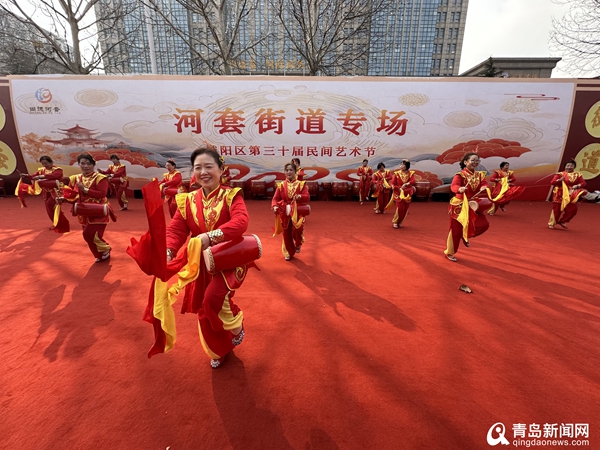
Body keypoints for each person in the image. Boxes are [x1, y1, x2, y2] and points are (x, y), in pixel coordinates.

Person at [163, 147, 249, 369]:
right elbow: (176, 230)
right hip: (200, 262)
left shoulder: (232, 196)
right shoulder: (187, 200)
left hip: (230, 260)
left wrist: (209, 237)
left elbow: (241, 223)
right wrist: (169, 250)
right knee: (203, 307)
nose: (203, 172)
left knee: (213, 299)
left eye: (209, 167)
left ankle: (237, 327)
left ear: (221, 169)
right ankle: (217, 348)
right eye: (197, 168)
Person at [59, 153, 115, 263]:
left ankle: (105, 248)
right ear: (79, 164)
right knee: (88, 235)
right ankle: (100, 254)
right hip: (83, 210)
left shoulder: (100, 178)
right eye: (83, 163)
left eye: (88, 164)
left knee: (89, 234)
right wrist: (63, 198)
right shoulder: (75, 178)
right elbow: (71, 194)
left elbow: (102, 194)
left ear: (93, 165)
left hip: (98, 210)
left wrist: (85, 190)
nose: (85, 166)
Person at [444, 152, 490, 262]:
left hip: (472, 204)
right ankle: (450, 252)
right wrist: (459, 189)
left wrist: (484, 187)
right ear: (465, 162)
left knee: (483, 224)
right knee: (455, 230)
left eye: (477, 160)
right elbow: (454, 186)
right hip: (460, 205)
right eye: (472, 160)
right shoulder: (460, 175)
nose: (475, 162)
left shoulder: (479, 175)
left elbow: (485, 183)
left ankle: (465, 236)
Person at [20, 155, 70, 233]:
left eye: (46, 163)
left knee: (51, 205)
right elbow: (33, 176)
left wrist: (41, 176)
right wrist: (27, 176)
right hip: (46, 192)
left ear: (51, 162)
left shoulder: (58, 170)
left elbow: (55, 176)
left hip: (56, 191)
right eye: (43, 163)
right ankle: (57, 222)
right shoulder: (41, 170)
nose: (45, 165)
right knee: (48, 207)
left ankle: (61, 223)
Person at [272, 162, 310, 261]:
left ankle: (298, 243)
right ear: (285, 172)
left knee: (298, 229)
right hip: (284, 211)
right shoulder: (281, 185)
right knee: (286, 233)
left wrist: (300, 196)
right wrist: (275, 206)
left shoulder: (301, 184)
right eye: (287, 170)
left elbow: (307, 197)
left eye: (291, 170)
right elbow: (275, 199)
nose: (289, 172)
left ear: (295, 172)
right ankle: (289, 252)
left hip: (297, 211)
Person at [548, 159, 587, 229]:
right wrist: (559, 180)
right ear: (565, 166)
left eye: (571, 166)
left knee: (573, 209)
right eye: (567, 165)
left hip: (571, 194)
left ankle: (563, 221)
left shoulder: (578, 175)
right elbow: (552, 182)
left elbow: (583, 183)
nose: (569, 167)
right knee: (557, 209)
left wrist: (577, 186)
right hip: (560, 194)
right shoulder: (560, 174)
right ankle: (552, 223)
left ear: (574, 167)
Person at [387, 159, 416, 228]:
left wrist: (407, 184)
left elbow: (413, 181)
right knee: (400, 208)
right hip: (398, 192)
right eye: (401, 164)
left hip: (407, 193)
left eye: (403, 164)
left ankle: (400, 221)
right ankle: (395, 221)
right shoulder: (397, 173)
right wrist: (392, 186)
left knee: (405, 209)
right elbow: (392, 183)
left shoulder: (410, 173)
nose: (401, 166)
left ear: (407, 166)